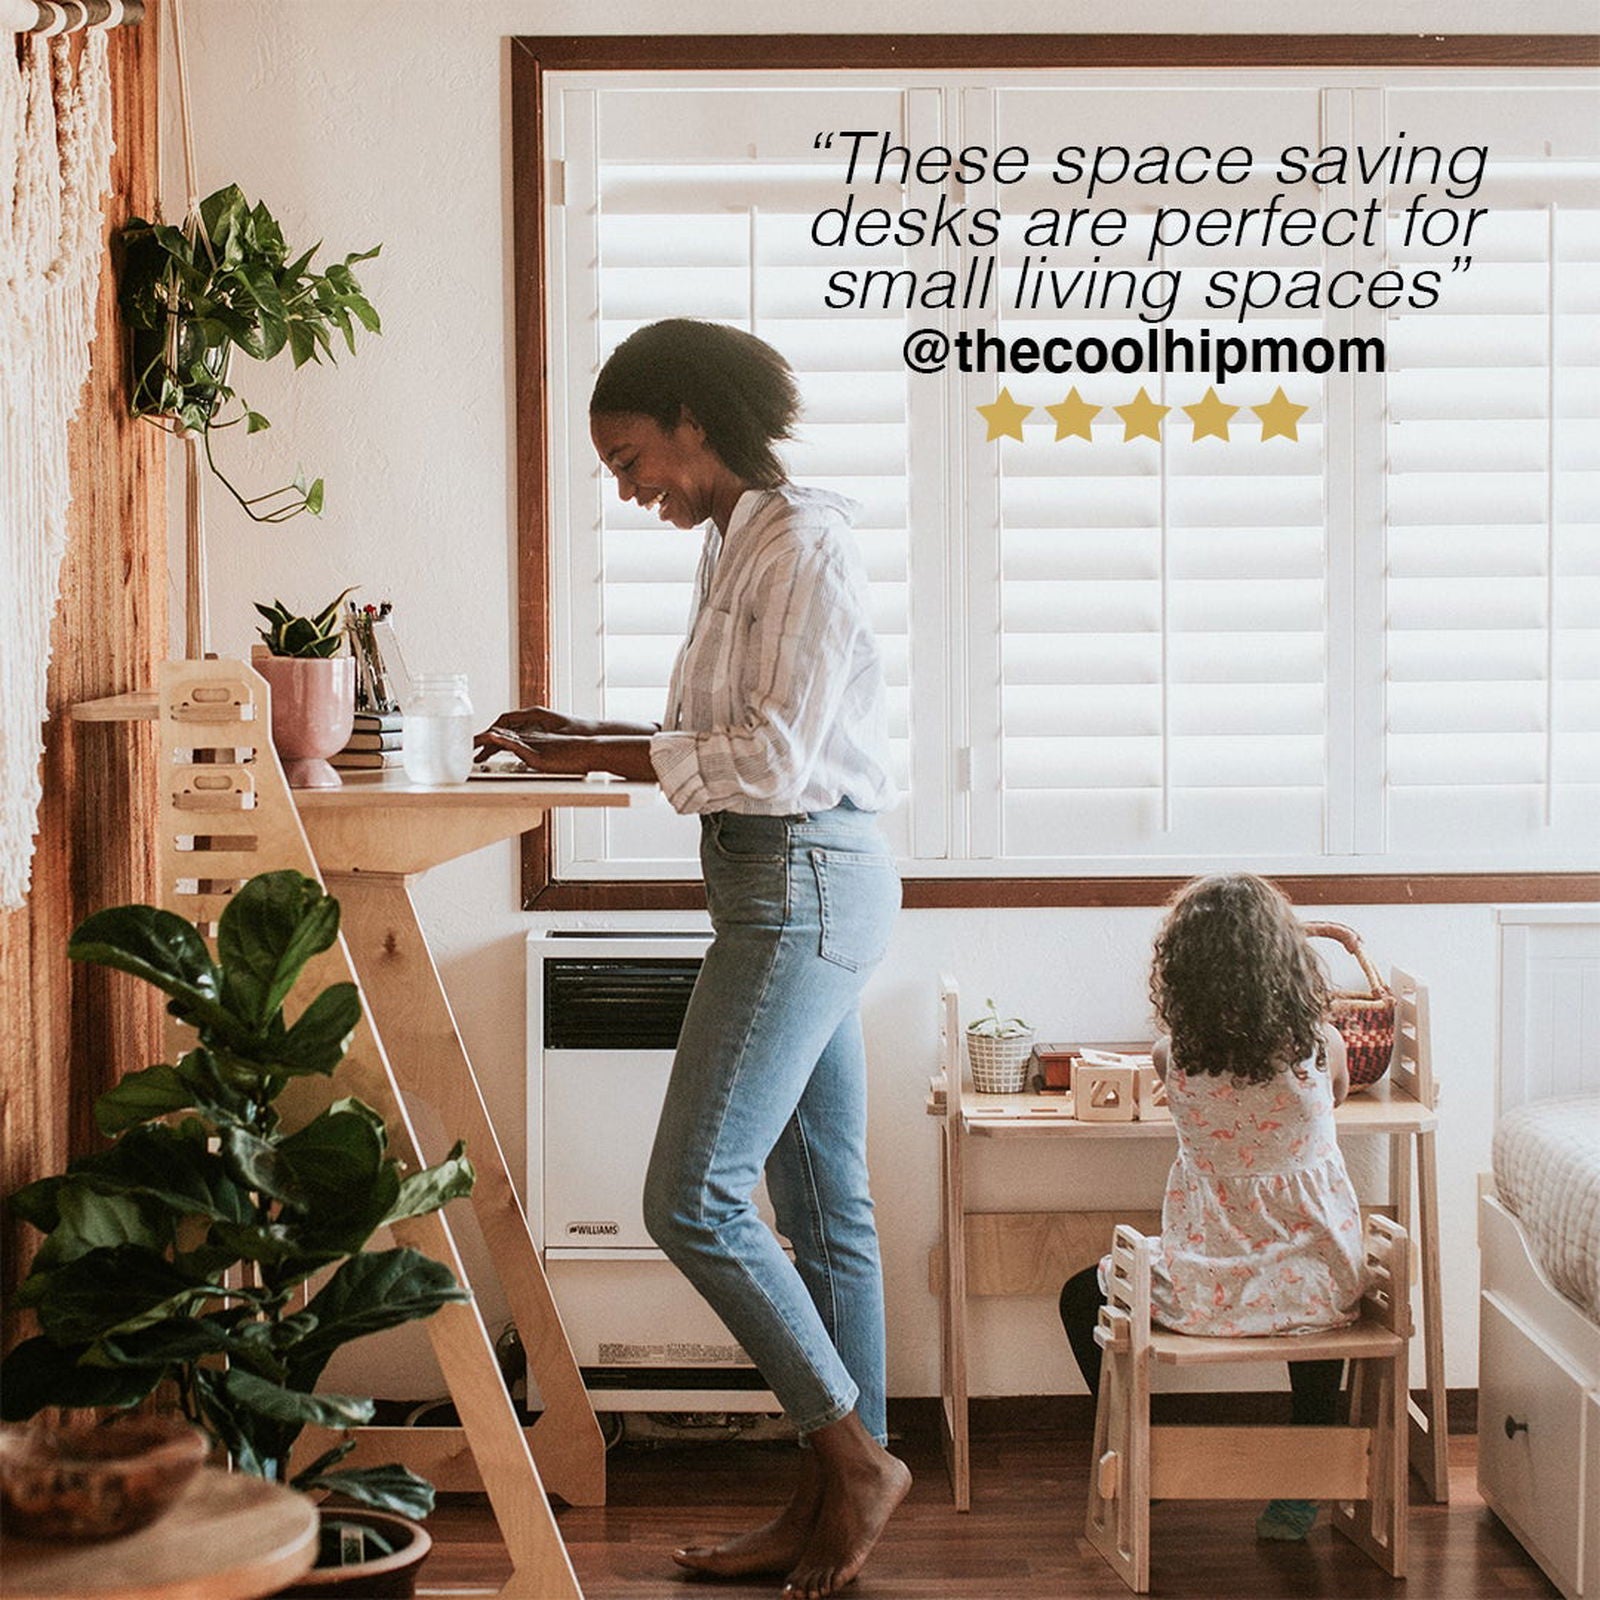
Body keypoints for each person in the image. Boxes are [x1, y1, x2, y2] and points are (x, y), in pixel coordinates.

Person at [477, 318, 909, 1598]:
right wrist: (584, 735)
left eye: (631, 457)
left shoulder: (806, 547)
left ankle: (856, 1461)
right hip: (779, 888)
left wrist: (604, 760)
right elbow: (716, 730)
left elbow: (774, 761)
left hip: (803, 885)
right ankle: (832, 1492)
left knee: (691, 1193)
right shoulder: (734, 543)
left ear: (693, 422)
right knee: (823, 1209)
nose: (627, 487)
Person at [1057, 872, 1367, 1543]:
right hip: (1316, 1286)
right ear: (1285, 961)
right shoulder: (1322, 1047)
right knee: (1313, 1301)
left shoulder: (1176, 1057)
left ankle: (1146, 1451)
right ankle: (1302, 1482)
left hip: (1212, 1288)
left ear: (1184, 972)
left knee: (1081, 1295)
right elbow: (1336, 1097)